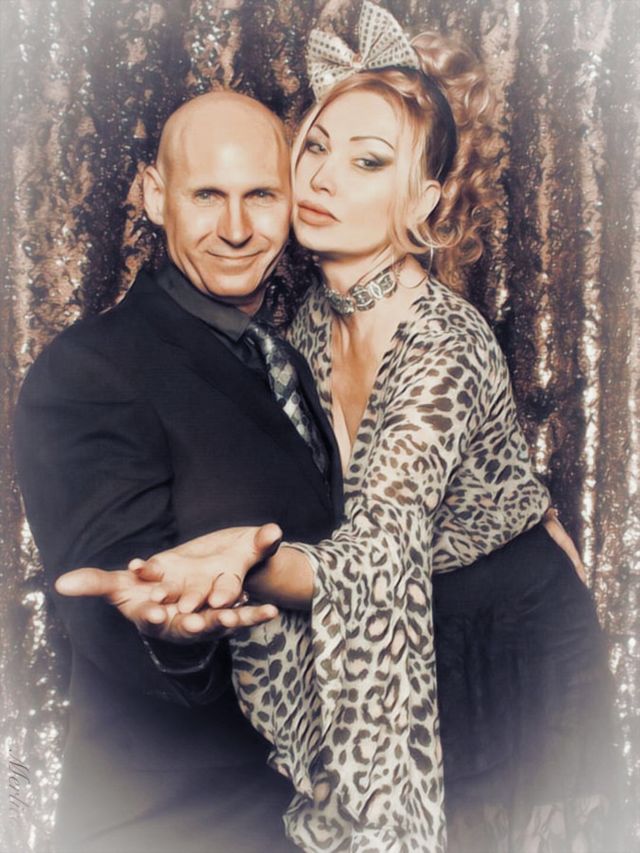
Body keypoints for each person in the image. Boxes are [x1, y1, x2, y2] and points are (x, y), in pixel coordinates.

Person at [61, 4, 621, 852]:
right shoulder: (307, 327)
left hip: (512, 646)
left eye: (367, 161)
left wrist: (239, 565)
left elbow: (380, 553)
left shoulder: (444, 339)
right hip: (412, 637)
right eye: (316, 148)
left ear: (421, 201)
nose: (322, 179)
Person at [13, 90, 344, 853]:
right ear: (157, 196)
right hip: (170, 827)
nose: (236, 228)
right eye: (207, 195)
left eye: (261, 195)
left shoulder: (282, 359)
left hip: (299, 822)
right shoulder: (89, 371)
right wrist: (173, 636)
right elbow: (114, 608)